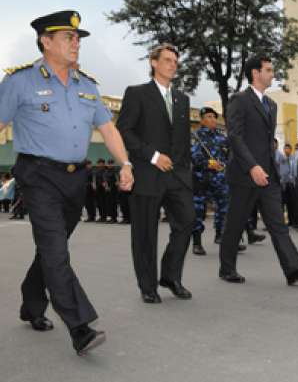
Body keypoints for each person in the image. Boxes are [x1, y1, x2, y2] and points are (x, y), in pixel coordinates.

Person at [0, 10, 134, 355]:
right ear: (46, 42)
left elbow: (108, 129)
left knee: (50, 250)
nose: (76, 44)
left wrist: (125, 163)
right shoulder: (19, 82)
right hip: (38, 176)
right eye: (68, 38)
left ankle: (32, 304)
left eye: (78, 39)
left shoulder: (87, 86)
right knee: (56, 251)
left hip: (76, 179)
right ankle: (79, 327)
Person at [218, 54, 298, 285]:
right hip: (245, 173)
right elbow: (234, 135)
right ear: (256, 73)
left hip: (269, 175)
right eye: (269, 70)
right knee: (236, 222)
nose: (273, 74)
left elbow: (266, 141)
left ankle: (293, 269)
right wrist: (252, 166)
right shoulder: (239, 100)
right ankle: (226, 268)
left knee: (277, 224)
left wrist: (268, 168)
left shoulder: (271, 105)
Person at [116, 43, 195, 303]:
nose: (173, 65)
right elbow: (124, 131)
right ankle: (147, 286)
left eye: (175, 61)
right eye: (167, 60)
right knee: (145, 233)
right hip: (148, 174)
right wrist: (152, 156)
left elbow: (183, 140)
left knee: (186, 222)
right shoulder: (137, 93)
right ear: (153, 62)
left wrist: (185, 170)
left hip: (177, 176)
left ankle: (171, 276)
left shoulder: (182, 99)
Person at [191, 106, 229, 255]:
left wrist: (225, 165)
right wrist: (211, 164)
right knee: (199, 210)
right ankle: (197, 242)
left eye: (214, 117)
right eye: (208, 117)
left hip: (220, 179)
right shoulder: (196, 136)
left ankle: (221, 236)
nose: (212, 119)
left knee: (224, 208)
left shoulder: (221, 137)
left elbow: (229, 155)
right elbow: (195, 157)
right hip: (202, 178)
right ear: (202, 120)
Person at [94, 158, 107, 222]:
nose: (100, 164)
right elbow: (96, 180)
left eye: (102, 163)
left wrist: (104, 183)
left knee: (104, 204)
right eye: (99, 163)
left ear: (104, 164)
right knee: (99, 204)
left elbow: (105, 179)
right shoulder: (96, 171)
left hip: (104, 190)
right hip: (98, 189)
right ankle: (101, 216)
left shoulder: (106, 170)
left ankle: (104, 217)